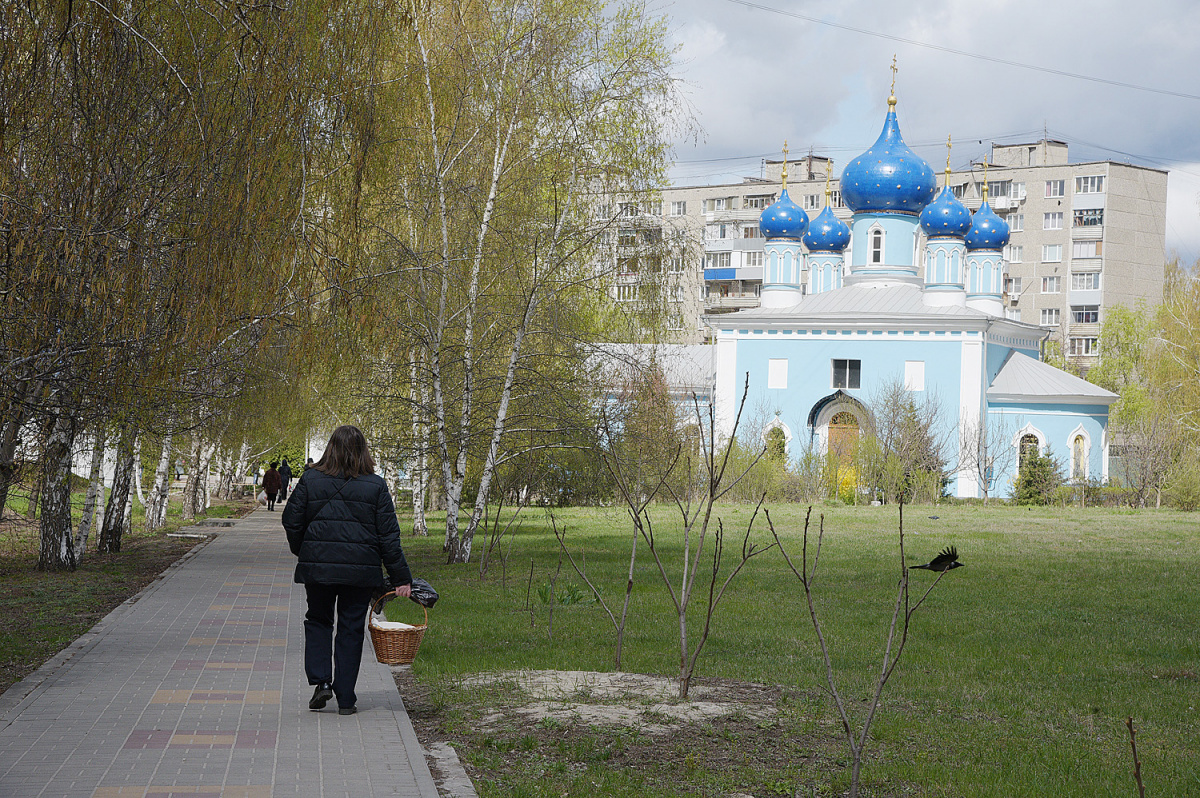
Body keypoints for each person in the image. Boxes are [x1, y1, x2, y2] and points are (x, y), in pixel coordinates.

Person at [282, 425, 412, 716]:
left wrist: (304, 551)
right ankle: (346, 698)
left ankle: (321, 682)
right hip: (360, 572)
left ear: (330, 448)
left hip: (319, 569)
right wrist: (402, 577)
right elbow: (389, 537)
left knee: (318, 620)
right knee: (351, 629)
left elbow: (291, 520)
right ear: (362, 450)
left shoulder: (311, 479)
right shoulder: (375, 485)